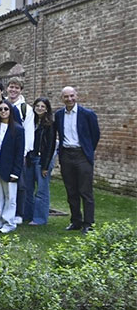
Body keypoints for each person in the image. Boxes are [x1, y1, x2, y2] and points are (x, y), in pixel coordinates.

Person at [55, 86, 100, 234]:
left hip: (82, 155)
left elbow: (95, 135)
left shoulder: (87, 114)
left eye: (72, 96)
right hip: (66, 155)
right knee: (71, 191)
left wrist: (87, 151)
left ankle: (88, 223)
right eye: (66, 97)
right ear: (62, 98)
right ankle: (76, 221)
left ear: (76, 96)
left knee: (85, 191)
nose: (69, 99)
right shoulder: (59, 115)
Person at [0, 100, 25, 234]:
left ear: (10, 111)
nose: (3, 111)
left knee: (10, 196)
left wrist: (16, 172)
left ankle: (9, 223)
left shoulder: (18, 129)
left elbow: (19, 153)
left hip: (9, 167)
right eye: (0, 109)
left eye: (6, 109)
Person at [6, 78, 35, 225]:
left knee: (20, 184)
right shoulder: (2, 104)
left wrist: (23, 153)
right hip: (4, 151)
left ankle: (19, 213)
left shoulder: (26, 109)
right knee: (3, 182)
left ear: (21, 90)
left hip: (19, 151)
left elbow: (29, 133)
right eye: (11, 87)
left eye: (17, 88)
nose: (13, 90)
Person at [27, 97, 57, 226]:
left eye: (42, 106)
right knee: (28, 188)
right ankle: (27, 215)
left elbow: (50, 146)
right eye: (37, 106)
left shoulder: (49, 124)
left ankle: (40, 219)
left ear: (47, 109)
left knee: (41, 191)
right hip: (30, 158)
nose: (39, 108)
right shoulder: (31, 122)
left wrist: (45, 166)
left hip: (42, 160)